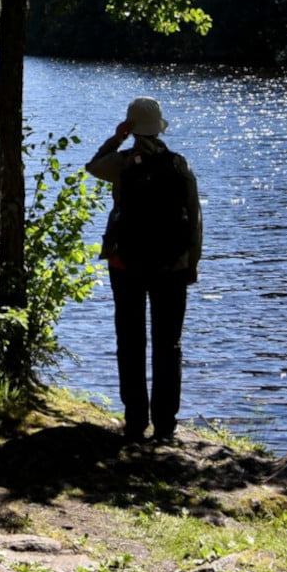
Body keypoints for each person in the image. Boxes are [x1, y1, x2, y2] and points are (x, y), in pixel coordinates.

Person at [87, 95, 202, 444]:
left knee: (131, 339)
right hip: (172, 265)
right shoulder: (180, 165)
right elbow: (195, 219)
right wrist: (192, 263)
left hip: (126, 262)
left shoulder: (122, 163)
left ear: (132, 127)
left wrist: (117, 137)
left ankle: (136, 419)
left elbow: (92, 166)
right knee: (169, 343)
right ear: (160, 127)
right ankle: (165, 423)